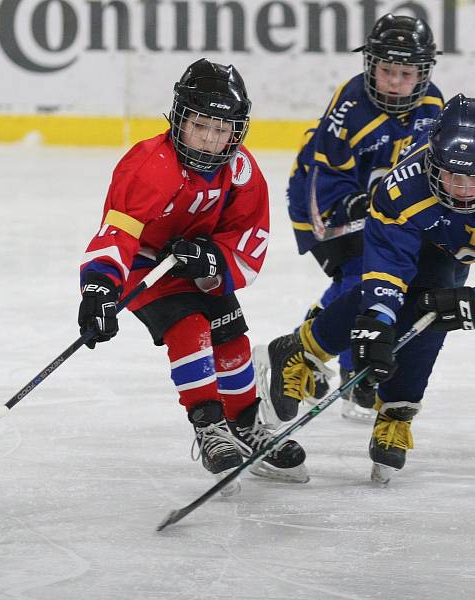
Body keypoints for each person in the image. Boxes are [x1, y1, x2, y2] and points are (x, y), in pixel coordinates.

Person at [259, 94, 475, 483]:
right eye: (451, 174)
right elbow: (388, 270)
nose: (461, 190)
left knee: (440, 301)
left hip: (459, 250)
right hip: (420, 237)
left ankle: (305, 347)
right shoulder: (402, 187)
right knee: (427, 294)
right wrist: (377, 320)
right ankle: (393, 408)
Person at [77, 59, 309, 494]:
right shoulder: (148, 165)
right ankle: (208, 427)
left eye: (222, 130)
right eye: (200, 125)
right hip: (147, 266)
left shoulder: (241, 172)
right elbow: (118, 233)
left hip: (200, 270)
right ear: (179, 118)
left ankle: (244, 425)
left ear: (236, 132)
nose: (209, 138)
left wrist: (213, 260)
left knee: (232, 336)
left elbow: (247, 241)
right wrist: (99, 286)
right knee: (190, 328)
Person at [285, 13, 444, 421]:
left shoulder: (433, 105)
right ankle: (331, 354)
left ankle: (320, 342)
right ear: (369, 65)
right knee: (362, 278)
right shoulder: (350, 104)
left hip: (382, 208)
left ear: (423, 73)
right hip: (322, 203)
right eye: (386, 70)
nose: (394, 81)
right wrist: (350, 208)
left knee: (379, 279)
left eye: (405, 73)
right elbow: (327, 175)